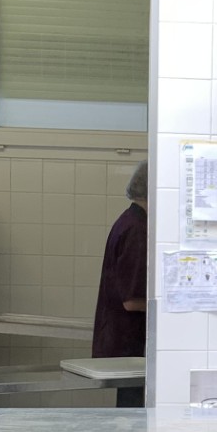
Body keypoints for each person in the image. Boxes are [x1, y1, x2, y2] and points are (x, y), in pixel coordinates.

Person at [92, 162, 148, 408]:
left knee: (131, 412)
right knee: (133, 415)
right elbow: (132, 301)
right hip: (129, 345)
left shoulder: (128, 220)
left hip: (124, 342)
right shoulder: (137, 229)